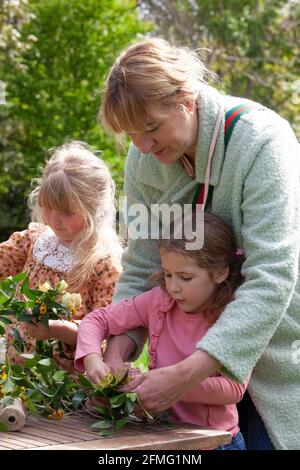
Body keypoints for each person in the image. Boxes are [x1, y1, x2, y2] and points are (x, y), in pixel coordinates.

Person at [99, 38, 300, 450]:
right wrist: (117, 349)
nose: (142, 146)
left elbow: (272, 276)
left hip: (272, 358)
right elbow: (140, 266)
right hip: (185, 371)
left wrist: (191, 372)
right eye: (131, 133)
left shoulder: (263, 142)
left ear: (186, 99)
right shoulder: (143, 160)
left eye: (152, 127)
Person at [76, 212, 248, 450]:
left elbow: (233, 389)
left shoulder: (234, 316)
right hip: (163, 435)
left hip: (215, 442)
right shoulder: (159, 301)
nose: (174, 287)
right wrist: (93, 359)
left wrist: (170, 384)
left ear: (220, 273)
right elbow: (97, 320)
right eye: (167, 274)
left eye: (185, 277)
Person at [0, 141, 122, 375]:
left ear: (92, 209)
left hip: (62, 385)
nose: (54, 220)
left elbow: (103, 333)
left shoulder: (103, 265)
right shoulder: (34, 240)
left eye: (66, 212)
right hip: (17, 373)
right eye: (48, 206)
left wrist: (57, 329)